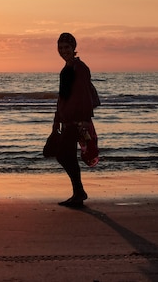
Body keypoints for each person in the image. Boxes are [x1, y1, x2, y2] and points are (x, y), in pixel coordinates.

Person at [53, 32, 95, 207]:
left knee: (63, 155)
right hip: (67, 119)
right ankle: (78, 193)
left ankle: (79, 192)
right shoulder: (66, 69)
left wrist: (85, 120)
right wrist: (57, 119)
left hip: (77, 121)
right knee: (66, 155)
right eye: (61, 48)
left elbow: (85, 95)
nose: (64, 51)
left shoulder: (80, 68)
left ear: (74, 48)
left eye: (67, 47)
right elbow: (63, 97)